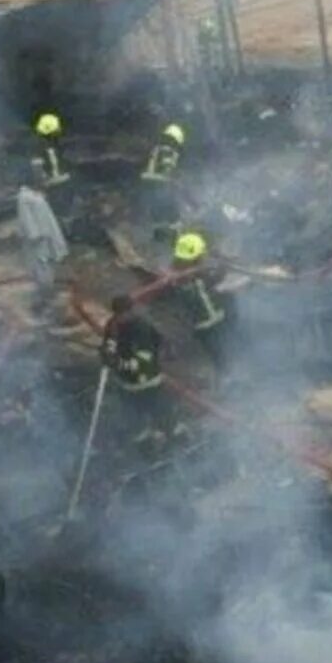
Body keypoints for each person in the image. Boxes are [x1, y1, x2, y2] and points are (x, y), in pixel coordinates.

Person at [100, 295, 170, 445]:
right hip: (126, 384)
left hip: (148, 382)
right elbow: (109, 343)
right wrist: (106, 353)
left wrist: (117, 364)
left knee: (159, 413)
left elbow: (144, 361)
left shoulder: (141, 328)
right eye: (118, 314)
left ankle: (168, 438)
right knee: (135, 419)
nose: (120, 318)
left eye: (123, 314)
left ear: (130, 311)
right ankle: (145, 442)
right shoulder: (113, 326)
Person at [169, 231, 230, 369]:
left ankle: (223, 371)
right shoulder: (193, 275)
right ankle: (226, 375)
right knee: (222, 354)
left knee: (217, 354)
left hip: (200, 324)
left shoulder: (177, 272)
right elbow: (216, 278)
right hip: (212, 321)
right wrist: (223, 262)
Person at [139, 122, 186, 232]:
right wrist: (174, 180)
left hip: (147, 180)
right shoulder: (170, 149)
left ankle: (156, 230)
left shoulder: (156, 148)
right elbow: (167, 167)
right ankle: (173, 229)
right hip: (160, 181)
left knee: (155, 208)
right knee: (169, 206)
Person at [30, 112, 71, 192]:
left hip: (59, 185)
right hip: (51, 189)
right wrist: (48, 184)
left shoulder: (53, 146)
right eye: (55, 130)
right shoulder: (39, 148)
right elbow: (38, 173)